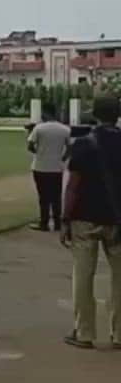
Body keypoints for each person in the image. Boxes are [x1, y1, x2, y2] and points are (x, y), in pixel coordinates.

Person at [61, 96, 121, 350]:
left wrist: (64, 219)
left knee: (83, 276)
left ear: (94, 115)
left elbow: (73, 186)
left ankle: (84, 332)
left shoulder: (83, 144)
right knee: (120, 278)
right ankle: (119, 334)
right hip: (118, 219)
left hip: (84, 217)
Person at [27, 103, 70, 231]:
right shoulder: (64, 129)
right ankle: (57, 223)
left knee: (43, 197)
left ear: (45, 113)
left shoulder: (39, 128)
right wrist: (62, 157)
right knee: (56, 196)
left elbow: (29, 145)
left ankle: (44, 223)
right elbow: (70, 147)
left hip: (40, 166)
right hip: (56, 167)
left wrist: (39, 153)